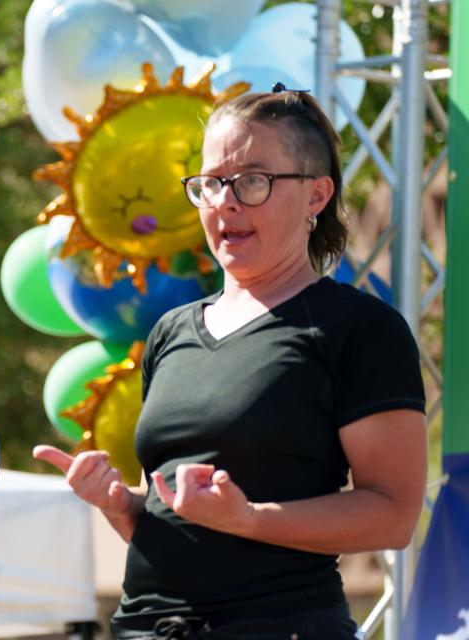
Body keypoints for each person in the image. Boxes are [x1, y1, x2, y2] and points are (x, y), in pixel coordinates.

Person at [34, 87, 426, 639]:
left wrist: (250, 519)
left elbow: (393, 515)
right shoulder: (170, 331)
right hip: (144, 627)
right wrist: (122, 504)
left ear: (316, 195)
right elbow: (181, 517)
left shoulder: (359, 329)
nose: (225, 201)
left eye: (253, 181)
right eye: (211, 183)